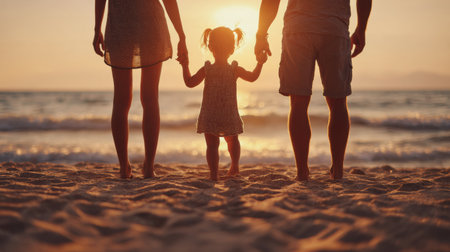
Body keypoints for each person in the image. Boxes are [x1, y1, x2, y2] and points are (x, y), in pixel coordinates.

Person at [255, 0, 372, 180]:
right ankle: (338, 171)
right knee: (338, 102)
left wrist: (261, 34)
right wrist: (361, 29)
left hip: (298, 29)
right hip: (334, 28)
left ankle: (302, 172)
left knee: (298, 103)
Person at [92, 0, 188, 178]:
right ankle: (148, 167)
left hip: (121, 24)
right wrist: (181, 35)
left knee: (121, 100)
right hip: (150, 23)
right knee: (150, 98)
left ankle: (124, 168)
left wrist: (97, 28)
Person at [177, 27, 267, 180]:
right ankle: (235, 166)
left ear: (210, 46)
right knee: (233, 140)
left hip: (210, 114)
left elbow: (189, 82)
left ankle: (214, 174)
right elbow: (252, 77)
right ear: (232, 48)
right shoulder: (234, 69)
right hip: (228, 113)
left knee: (212, 146)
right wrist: (260, 63)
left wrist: (185, 66)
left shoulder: (208, 69)